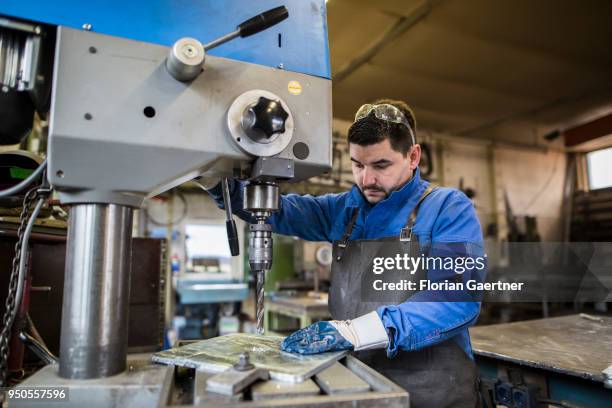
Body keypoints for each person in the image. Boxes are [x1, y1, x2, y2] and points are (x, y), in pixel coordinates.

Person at [206, 99, 483, 407]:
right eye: (357, 165)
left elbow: (456, 297)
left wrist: (356, 331)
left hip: (432, 393)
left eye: (381, 165)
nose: (366, 179)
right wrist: (216, 183)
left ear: (413, 156)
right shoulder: (344, 210)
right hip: (358, 387)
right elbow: (280, 211)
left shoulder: (447, 207)